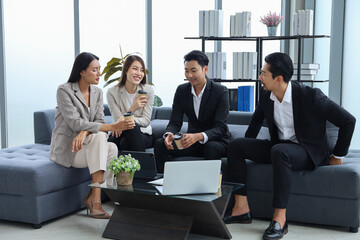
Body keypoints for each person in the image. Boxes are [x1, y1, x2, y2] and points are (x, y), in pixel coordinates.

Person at [224, 52, 356, 240]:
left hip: (307, 151)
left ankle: (280, 219)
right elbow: (254, 125)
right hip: (279, 147)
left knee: (280, 151)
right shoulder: (266, 95)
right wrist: (247, 149)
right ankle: (241, 209)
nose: (259, 77)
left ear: (278, 79)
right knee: (237, 146)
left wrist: (337, 155)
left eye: (263, 73)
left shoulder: (311, 96)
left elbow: (348, 120)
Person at [50, 52, 135, 219]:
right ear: (82, 71)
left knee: (112, 147)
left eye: (99, 69)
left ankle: (93, 195)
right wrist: (113, 126)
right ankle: (95, 202)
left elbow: (98, 120)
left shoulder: (96, 92)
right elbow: (75, 122)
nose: (99, 74)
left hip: (87, 145)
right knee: (99, 137)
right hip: (70, 150)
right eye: (95, 70)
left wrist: (84, 131)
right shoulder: (64, 90)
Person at [154, 50, 231, 173]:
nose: (189, 75)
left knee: (211, 148)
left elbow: (220, 128)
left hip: (216, 141)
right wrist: (169, 134)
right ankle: (163, 183)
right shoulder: (181, 90)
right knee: (160, 144)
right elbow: (175, 121)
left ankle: (212, 187)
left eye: (193, 71)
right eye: (186, 71)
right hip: (192, 142)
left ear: (205, 69)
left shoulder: (220, 91)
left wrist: (198, 136)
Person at [106, 55, 154, 153]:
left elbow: (145, 121)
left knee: (131, 129)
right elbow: (118, 120)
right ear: (126, 70)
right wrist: (133, 108)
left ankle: (136, 168)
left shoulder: (148, 90)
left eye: (142, 70)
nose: (139, 73)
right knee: (122, 138)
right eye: (135, 69)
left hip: (142, 134)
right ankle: (142, 167)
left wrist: (130, 121)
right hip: (120, 132)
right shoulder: (112, 92)